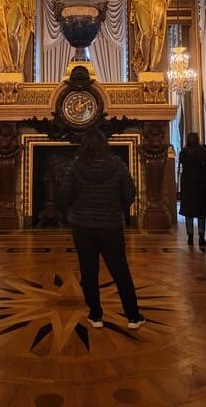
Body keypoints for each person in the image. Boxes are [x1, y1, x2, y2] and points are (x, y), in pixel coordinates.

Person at [59, 128, 145, 330]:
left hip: (82, 227)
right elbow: (130, 193)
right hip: (111, 226)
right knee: (120, 270)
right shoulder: (117, 165)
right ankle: (133, 316)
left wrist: (73, 212)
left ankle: (95, 315)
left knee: (88, 271)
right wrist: (118, 208)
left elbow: (64, 195)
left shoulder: (76, 167)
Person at [178, 132, 206, 247]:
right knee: (201, 214)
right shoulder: (203, 151)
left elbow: (181, 161)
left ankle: (190, 237)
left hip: (188, 187)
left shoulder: (184, 152)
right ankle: (202, 237)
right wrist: (204, 147)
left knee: (189, 213)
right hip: (201, 187)